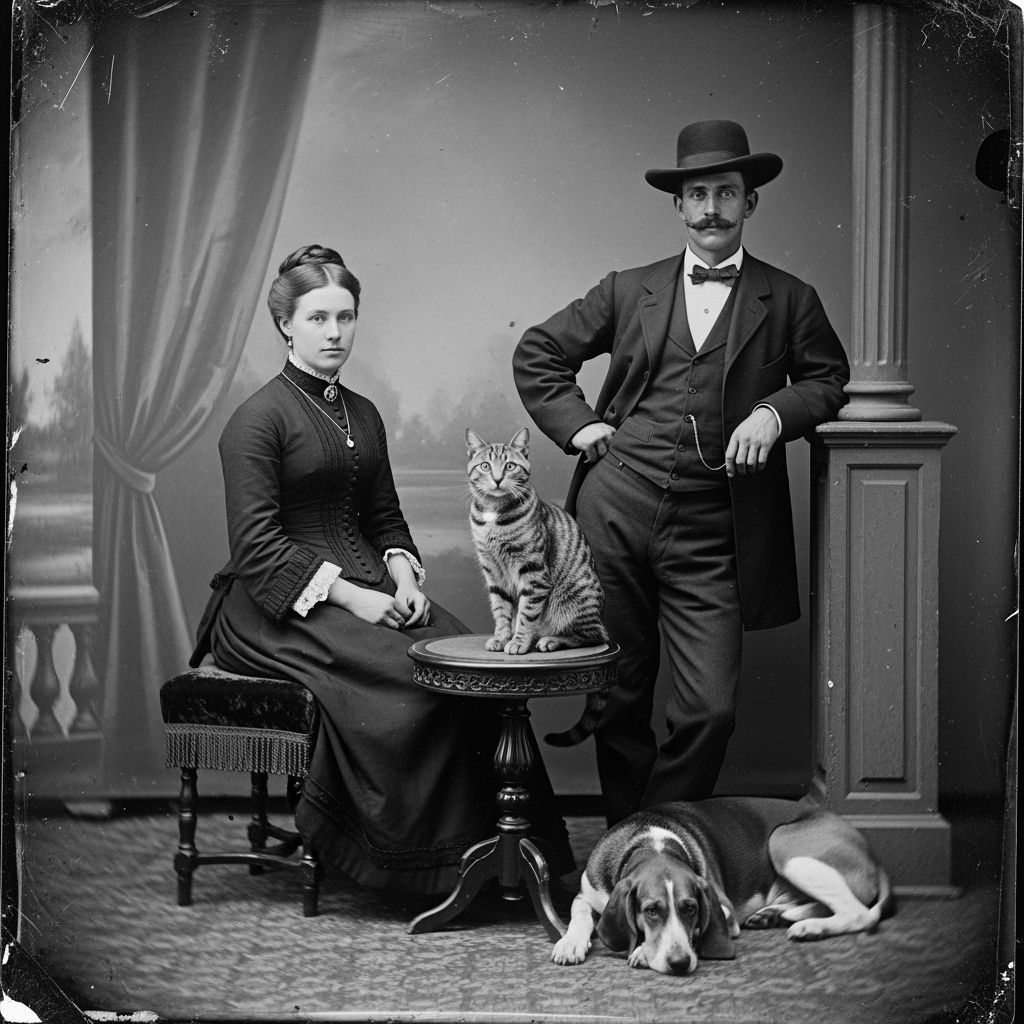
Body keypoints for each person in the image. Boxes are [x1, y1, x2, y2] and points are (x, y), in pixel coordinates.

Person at [193, 244, 573, 893]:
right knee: (412, 682)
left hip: (370, 586)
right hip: (270, 608)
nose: (335, 332)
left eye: (345, 317)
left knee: (469, 664)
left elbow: (385, 517)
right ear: (286, 324)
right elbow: (256, 547)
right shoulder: (256, 420)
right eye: (317, 319)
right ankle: (430, 867)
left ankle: (509, 853)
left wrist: (400, 581)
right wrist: (355, 599)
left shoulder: (363, 413)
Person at [513, 121, 850, 827]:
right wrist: (581, 427)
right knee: (618, 691)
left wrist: (773, 411)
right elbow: (539, 351)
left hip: (717, 526)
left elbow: (827, 379)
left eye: (726, 193)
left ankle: (653, 835)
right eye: (697, 194)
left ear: (750, 203)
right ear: (678, 206)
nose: (711, 210)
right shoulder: (629, 289)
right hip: (616, 509)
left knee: (708, 708)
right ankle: (622, 849)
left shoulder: (789, 298)